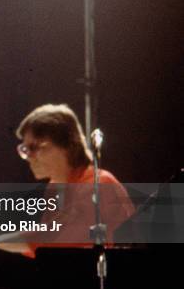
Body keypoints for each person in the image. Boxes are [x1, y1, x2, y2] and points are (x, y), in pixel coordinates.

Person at [14, 103, 133, 254]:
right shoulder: (54, 188)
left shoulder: (99, 183)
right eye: (25, 150)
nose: (29, 158)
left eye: (34, 147)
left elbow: (55, 238)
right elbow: (45, 253)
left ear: (66, 146)